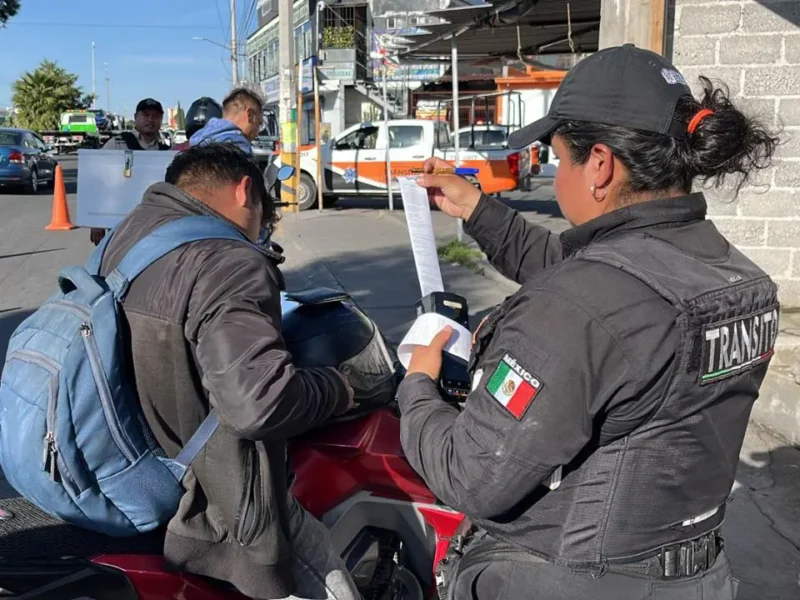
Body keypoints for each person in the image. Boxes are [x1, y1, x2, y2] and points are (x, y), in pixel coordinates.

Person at [399, 44, 780, 600]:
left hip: (561, 578)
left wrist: (417, 385)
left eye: (558, 159)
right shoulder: (737, 279)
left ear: (599, 164)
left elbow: (469, 475)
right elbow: (601, 286)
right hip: (698, 578)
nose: (555, 179)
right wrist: (476, 208)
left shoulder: (582, 306)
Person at [99, 143, 360, 600]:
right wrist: (334, 388)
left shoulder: (129, 234)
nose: (261, 229)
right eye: (264, 213)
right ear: (245, 192)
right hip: (215, 505)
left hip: (132, 460)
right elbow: (259, 404)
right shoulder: (228, 260)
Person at [90, 98, 170, 245]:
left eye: (155, 116)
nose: (150, 120)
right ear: (135, 117)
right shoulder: (117, 144)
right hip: (120, 224)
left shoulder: (166, 152)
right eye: (146, 115)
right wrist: (97, 220)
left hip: (153, 225)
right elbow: (97, 179)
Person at [188, 86, 264, 152]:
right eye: (258, 123)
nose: (257, 134)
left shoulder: (197, 142)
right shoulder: (238, 149)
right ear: (249, 115)